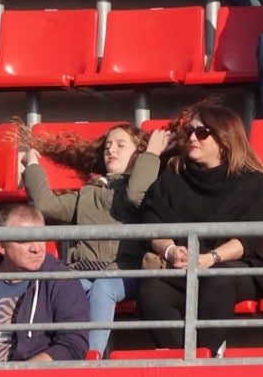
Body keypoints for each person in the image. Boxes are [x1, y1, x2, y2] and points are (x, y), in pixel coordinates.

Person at [19, 122, 169, 356]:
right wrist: (32, 165)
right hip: (84, 270)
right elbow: (45, 205)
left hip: (124, 272)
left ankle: (91, 357)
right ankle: (50, 354)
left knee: (103, 286)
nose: (111, 150)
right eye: (108, 146)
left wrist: (151, 154)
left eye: (121, 145)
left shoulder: (147, 189)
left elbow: (135, 195)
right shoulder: (88, 193)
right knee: (65, 288)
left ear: (139, 154)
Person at [137, 104, 263, 353]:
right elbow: (151, 220)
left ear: (224, 139)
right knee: (151, 290)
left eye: (202, 133)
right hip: (184, 267)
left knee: (218, 279)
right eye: (190, 131)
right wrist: (169, 250)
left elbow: (249, 240)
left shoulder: (253, 182)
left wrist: (210, 258)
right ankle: (188, 363)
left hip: (234, 268)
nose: (191, 138)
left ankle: (202, 359)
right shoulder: (175, 175)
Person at [0, 202, 90, 363]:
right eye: (25, 241)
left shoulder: (62, 281)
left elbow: (73, 343)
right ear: (1, 245)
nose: (37, 248)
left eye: (42, 239)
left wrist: (22, 375)